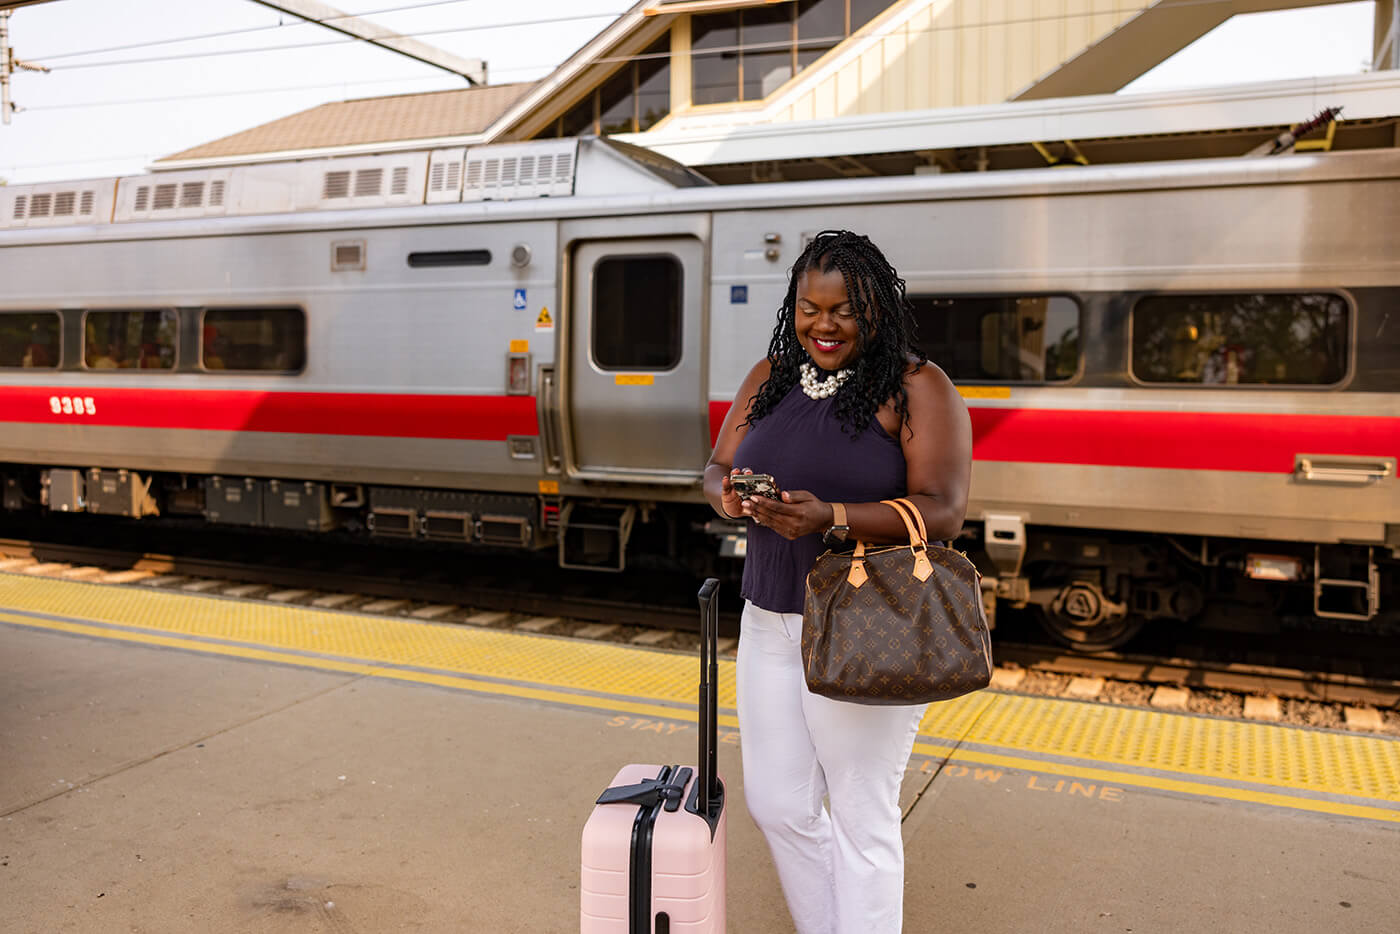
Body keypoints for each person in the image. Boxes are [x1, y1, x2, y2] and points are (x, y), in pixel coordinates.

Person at [703, 230, 972, 934]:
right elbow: (714, 466)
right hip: (768, 618)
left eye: (844, 310)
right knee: (780, 804)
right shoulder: (770, 378)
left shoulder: (916, 387)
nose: (823, 325)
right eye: (809, 307)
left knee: (861, 816)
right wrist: (731, 496)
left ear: (876, 309)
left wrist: (834, 517)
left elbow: (944, 511)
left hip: (865, 621)